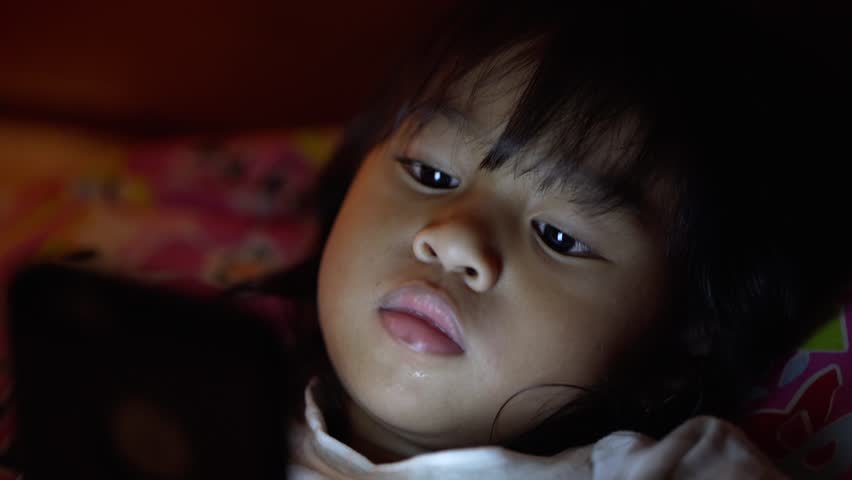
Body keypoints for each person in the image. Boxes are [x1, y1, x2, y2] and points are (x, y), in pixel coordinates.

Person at [238, 1, 852, 477]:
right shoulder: (210, 400)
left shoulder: (673, 471)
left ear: (679, 337)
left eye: (557, 235)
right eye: (430, 174)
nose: (454, 240)